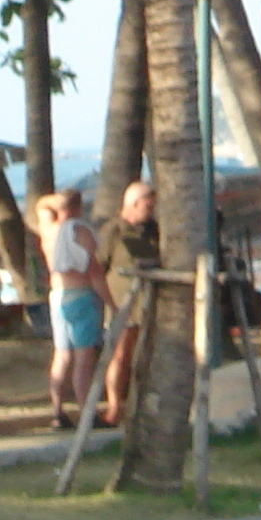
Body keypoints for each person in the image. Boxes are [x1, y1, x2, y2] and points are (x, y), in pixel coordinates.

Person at [37, 189, 105, 428]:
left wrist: (53, 202)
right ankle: (87, 411)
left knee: (62, 355)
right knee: (84, 358)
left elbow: (40, 204)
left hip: (57, 295)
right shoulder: (79, 231)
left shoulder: (49, 232)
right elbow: (93, 270)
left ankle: (57, 411)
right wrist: (108, 300)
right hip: (81, 293)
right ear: (79, 207)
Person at [94, 179, 158, 427]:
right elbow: (99, 266)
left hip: (149, 305)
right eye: (147, 207)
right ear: (132, 204)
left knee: (146, 356)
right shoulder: (114, 232)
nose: (150, 212)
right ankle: (114, 408)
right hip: (122, 305)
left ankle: (141, 407)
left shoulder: (153, 230)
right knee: (120, 356)